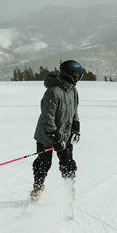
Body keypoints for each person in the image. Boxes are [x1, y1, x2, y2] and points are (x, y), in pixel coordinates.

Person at [30, 60, 83, 200]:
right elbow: (48, 118)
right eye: (78, 76)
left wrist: (76, 128)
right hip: (46, 137)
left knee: (68, 163)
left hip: (65, 135)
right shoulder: (53, 92)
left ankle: (69, 188)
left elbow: (74, 111)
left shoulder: (72, 90)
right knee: (43, 163)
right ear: (71, 75)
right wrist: (56, 137)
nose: (79, 79)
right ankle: (38, 186)